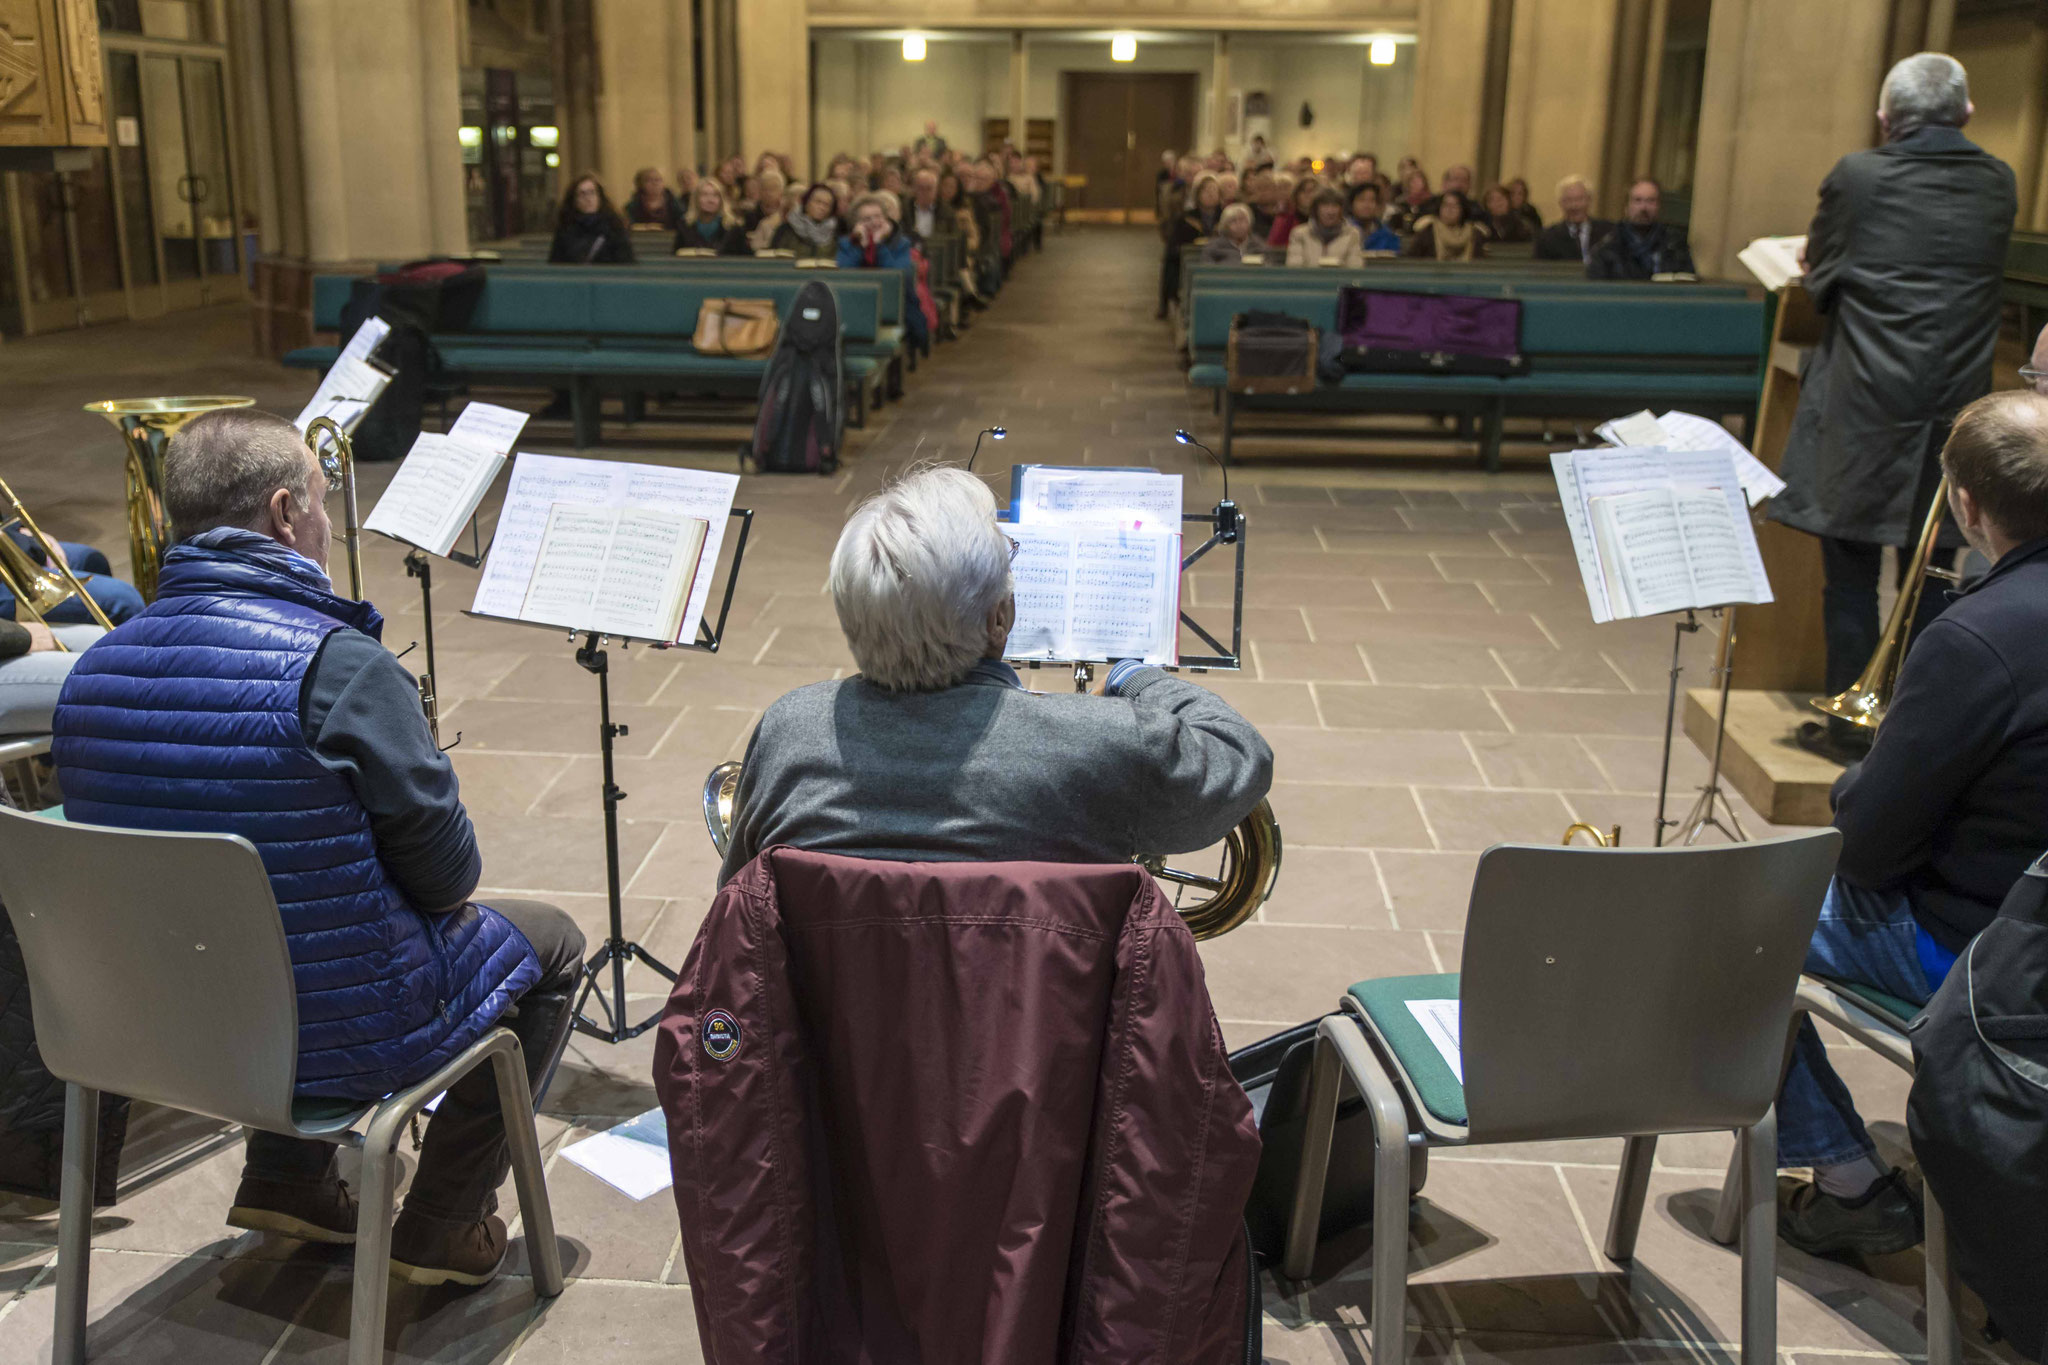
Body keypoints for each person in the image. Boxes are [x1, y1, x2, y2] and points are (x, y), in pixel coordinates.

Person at [49, 409, 584, 1287]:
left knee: (274, 902)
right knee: (550, 943)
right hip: (330, 1034)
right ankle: (444, 1224)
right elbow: (450, 878)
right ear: (287, 510)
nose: (331, 526)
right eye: (327, 504)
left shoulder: (94, 671)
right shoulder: (339, 666)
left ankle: (287, 1178)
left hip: (146, 1026)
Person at [1771, 389, 2048, 1257]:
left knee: (1722, 925)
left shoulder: (1977, 637)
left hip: (1985, 952)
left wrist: (1874, 768)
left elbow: (1866, 850)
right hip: (2029, 924)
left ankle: (1848, 1183)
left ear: (1966, 505)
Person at [714, 466, 1273, 885]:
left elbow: (740, 897)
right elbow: (1240, 756)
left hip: (838, 1035)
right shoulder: (1104, 739)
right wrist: (1133, 676)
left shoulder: (792, 728)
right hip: (1037, 1034)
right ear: (1000, 618)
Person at [1769, 52, 2018, 761]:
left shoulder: (1857, 176)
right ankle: (1921, 729)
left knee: (1849, 574)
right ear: (1966, 113)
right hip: (1951, 410)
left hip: (1863, 407)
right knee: (1933, 571)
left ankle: (1854, 726)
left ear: (1886, 118)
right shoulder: (1999, 182)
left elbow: (1822, 282)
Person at [840, 192, 930, 351]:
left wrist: (879, 245)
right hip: (856, 306)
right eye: (866, 219)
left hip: (894, 306)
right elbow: (844, 274)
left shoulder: (901, 244)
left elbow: (898, 278)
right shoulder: (847, 243)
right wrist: (860, 247)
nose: (874, 222)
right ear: (856, 224)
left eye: (878, 216)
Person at [0, 532, 143, 627]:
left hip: (12, 541)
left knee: (92, 560)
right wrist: (33, 546)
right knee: (124, 600)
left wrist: (17, 527)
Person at [1585, 177, 1693, 279]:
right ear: (1626, 207)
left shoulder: (1675, 246)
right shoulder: (1607, 250)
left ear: (1658, 206)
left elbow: (1687, 284)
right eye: (1637, 201)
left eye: (1651, 201)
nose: (1644, 208)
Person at [547, 173, 633, 264]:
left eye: (592, 192)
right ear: (574, 200)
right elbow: (556, 263)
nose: (588, 198)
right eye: (582, 194)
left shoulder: (614, 228)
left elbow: (626, 262)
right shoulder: (565, 230)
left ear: (600, 197)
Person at [1533, 174, 1611, 263]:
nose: (1574, 206)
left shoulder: (1608, 232)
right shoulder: (1547, 237)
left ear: (1589, 200)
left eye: (1579, 199)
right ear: (1561, 203)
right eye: (1568, 200)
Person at [1287, 188, 1364, 268]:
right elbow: (1294, 267)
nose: (1330, 211)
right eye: (1325, 206)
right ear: (1316, 209)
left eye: (1335, 206)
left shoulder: (1352, 234)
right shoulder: (1299, 234)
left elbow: (1355, 267)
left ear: (1341, 210)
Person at [673, 178, 751, 255]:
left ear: (721, 200)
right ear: (696, 199)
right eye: (705, 195)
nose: (710, 200)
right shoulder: (685, 226)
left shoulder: (734, 228)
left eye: (715, 195)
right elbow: (676, 255)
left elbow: (747, 258)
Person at [771, 182, 842, 262]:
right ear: (807, 202)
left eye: (827, 205)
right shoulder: (786, 230)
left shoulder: (833, 236)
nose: (822, 207)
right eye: (818, 202)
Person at [1406, 189, 1484, 261]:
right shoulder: (1427, 231)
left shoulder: (1474, 233)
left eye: (1455, 206)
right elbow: (1411, 259)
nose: (1449, 210)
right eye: (1445, 205)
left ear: (1463, 209)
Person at [1266, 174, 1321, 248]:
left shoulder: (1323, 219)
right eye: (1303, 191)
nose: (1307, 194)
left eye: (1311, 191)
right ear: (1296, 195)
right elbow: (1274, 246)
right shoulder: (1285, 219)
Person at [1345, 182, 1400, 252]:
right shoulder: (1342, 233)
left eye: (1372, 200)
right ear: (1351, 205)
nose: (1367, 205)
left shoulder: (1388, 236)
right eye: (1361, 200)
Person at [745, 170, 789, 253]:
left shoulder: (786, 215)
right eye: (765, 189)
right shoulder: (749, 217)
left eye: (773, 188)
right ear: (759, 191)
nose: (769, 193)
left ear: (781, 191)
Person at [1387, 165, 1432, 233]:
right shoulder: (1401, 203)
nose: (1416, 184)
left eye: (1419, 181)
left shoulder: (1431, 202)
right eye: (1412, 181)